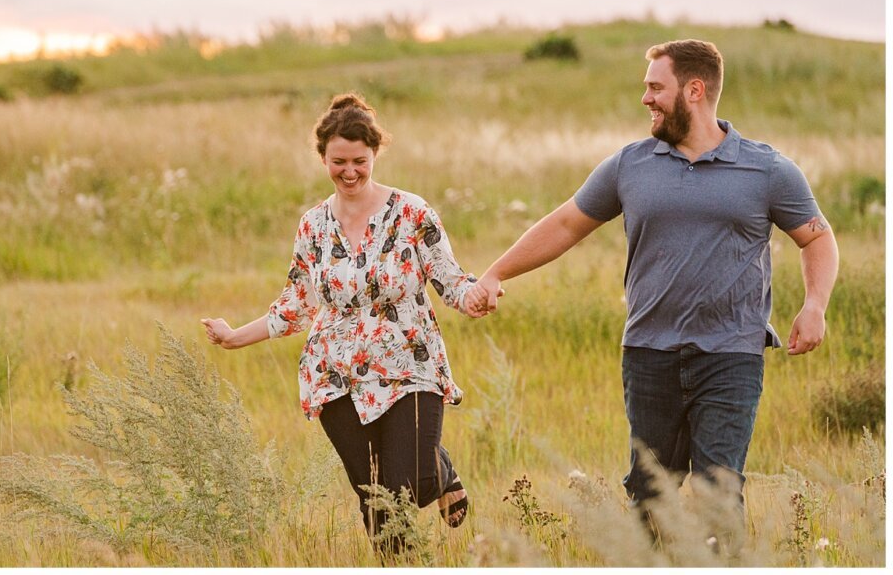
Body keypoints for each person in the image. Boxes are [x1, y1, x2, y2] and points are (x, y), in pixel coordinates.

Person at [467, 39, 839, 551]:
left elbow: (817, 237)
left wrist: (814, 304)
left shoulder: (767, 170)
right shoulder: (630, 165)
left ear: (694, 89)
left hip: (731, 354)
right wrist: (495, 272)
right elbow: (567, 223)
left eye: (655, 87)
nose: (645, 98)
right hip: (648, 354)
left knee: (718, 495)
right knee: (647, 496)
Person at [201, 93, 477, 553]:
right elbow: (296, 304)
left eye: (359, 161)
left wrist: (478, 296)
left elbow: (450, 280)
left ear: (375, 154)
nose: (349, 171)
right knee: (375, 497)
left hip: (410, 365)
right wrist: (234, 337)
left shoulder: (412, 213)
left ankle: (440, 473)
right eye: (338, 161)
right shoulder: (313, 225)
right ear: (323, 157)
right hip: (336, 374)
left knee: (408, 483)